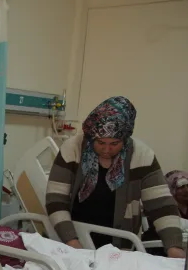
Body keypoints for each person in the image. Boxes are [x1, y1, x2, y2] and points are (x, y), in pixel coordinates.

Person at [45, 96, 185, 258]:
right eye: (100, 142)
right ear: (91, 136)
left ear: (125, 139)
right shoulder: (72, 149)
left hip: (119, 246)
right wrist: (71, 241)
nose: (106, 149)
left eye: (114, 144)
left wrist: (174, 246)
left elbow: (161, 205)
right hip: (71, 239)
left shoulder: (142, 156)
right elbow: (56, 200)